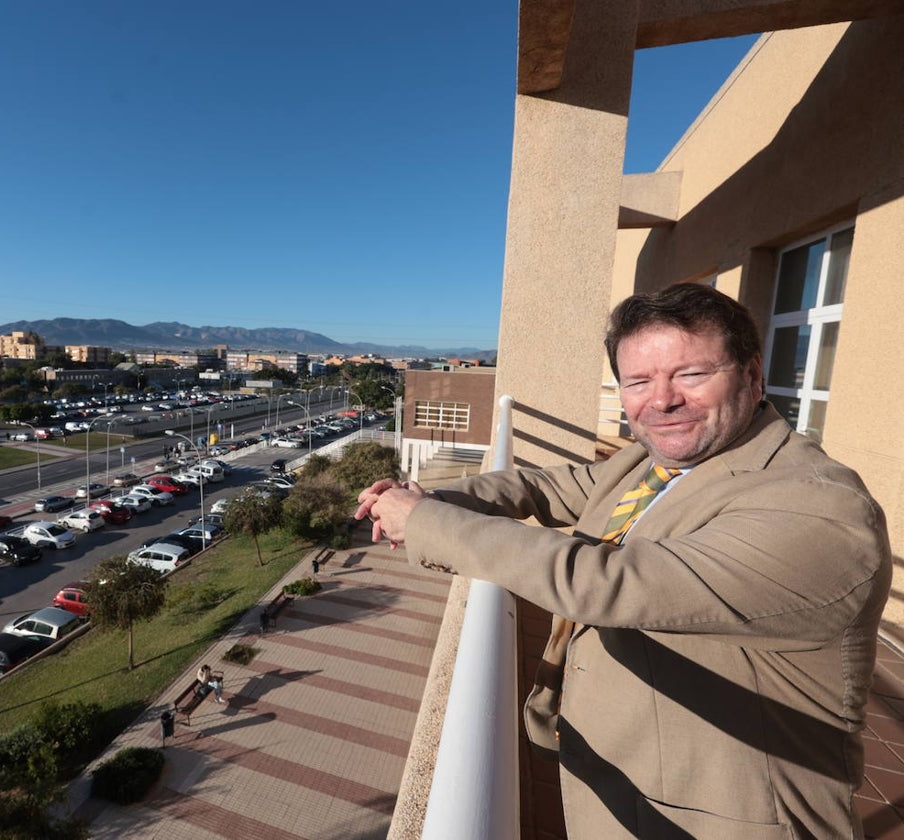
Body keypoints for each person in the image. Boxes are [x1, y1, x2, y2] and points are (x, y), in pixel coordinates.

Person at [355, 283, 891, 839]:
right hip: (623, 780)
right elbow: (549, 487)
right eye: (638, 381)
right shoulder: (655, 461)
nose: (661, 401)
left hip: (724, 818)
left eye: (691, 374)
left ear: (753, 375)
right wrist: (435, 498)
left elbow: (606, 584)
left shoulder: (820, 509)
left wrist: (422, 524)